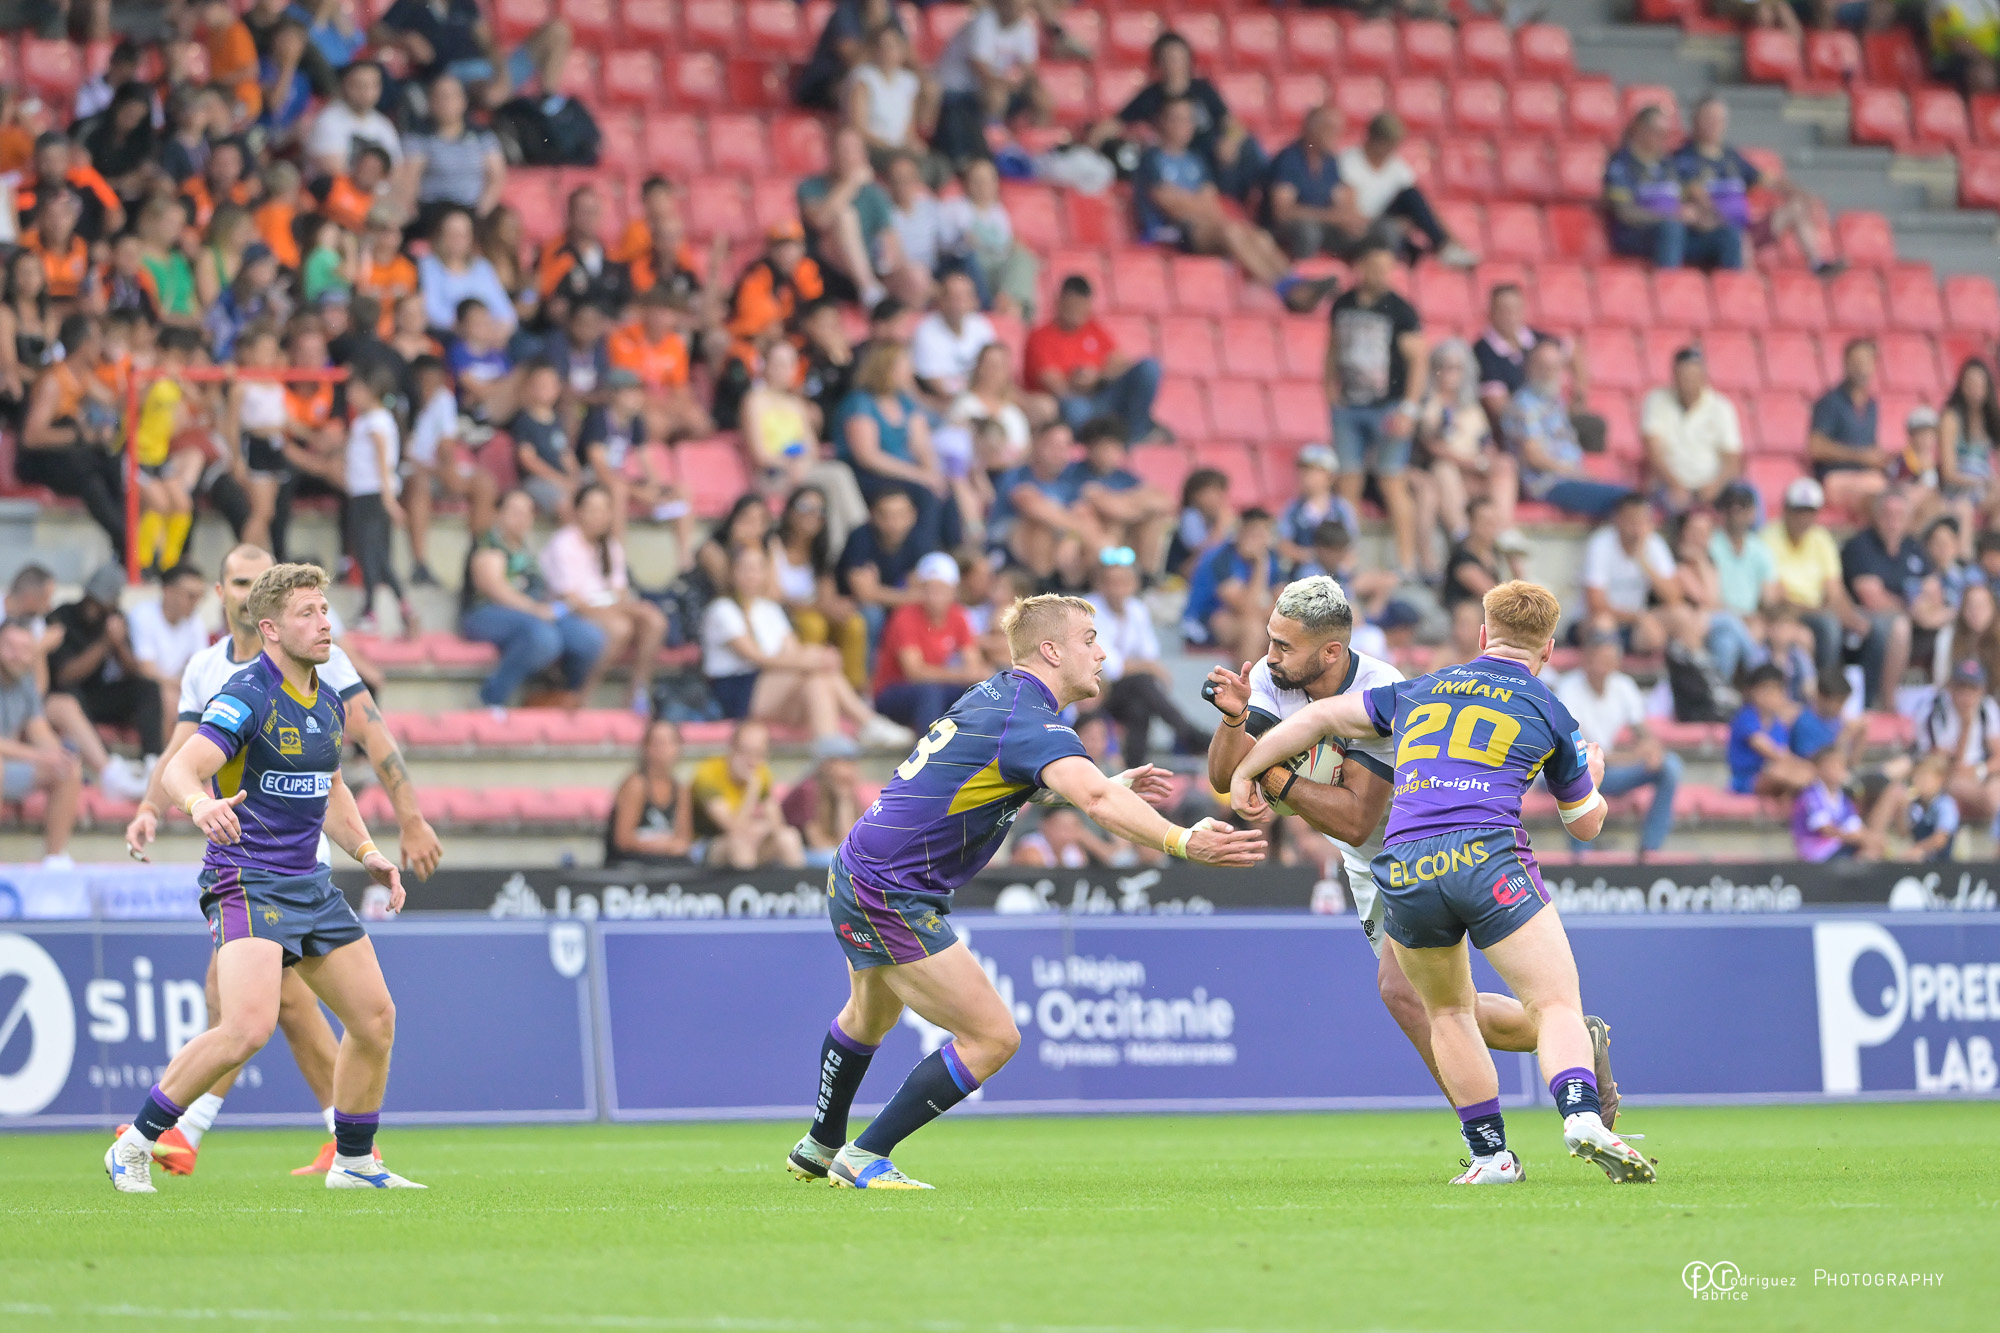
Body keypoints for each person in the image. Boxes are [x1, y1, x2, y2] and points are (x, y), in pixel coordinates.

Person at [785, 593, 1266, 1189]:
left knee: (868, 1016)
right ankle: (865, 1155)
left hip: (859, 870)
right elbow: (1095, 801)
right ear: (1051, 650)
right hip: (890, 889)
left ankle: (820, 1144)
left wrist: (1101, 782)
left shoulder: (994, 695)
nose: (1102, 652)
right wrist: (1184, 840)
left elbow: (1010, 780)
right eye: (1089, 639)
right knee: (992, 1038)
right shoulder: (1032, 719)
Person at [1228, 581, 1651, 1186]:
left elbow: (1319, 716)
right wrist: (1596, 780)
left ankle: (1490, 1156)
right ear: (1549, 650)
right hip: (1485, 856)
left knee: (1448, 1011)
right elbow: (1585, 825)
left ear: (1482, 636)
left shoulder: (1419, 688)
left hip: (1403, 863)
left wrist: (1246, 769)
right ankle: (1582, 1116)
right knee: (1555, 1003)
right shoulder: (1550, 708)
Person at [121, 544, 442, 1176]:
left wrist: (370, 852)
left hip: (308, 883)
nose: (325, 623)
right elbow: (184, 765)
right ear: (270, 628)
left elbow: (331, 788)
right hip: (249, 880)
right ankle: (135, 1142)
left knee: (375, 1018)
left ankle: (353, 1163)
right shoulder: (245, 693)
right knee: (245, 1026)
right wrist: (193, 804)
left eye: (325, 610)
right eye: (307, 613)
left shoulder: (328, 697)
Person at [703, 544, 913, 747]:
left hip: (771, 688)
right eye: (746, 568)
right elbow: (757, 657)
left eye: (758, 568)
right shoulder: (722, 609)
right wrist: (813, 659)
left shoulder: (769, 609)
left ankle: (830, 747)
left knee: (817, 680)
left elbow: (793, 649)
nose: (752, 574)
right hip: (737, 689)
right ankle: (868, 721)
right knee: (814, 664)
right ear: (732, 572)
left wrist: (816, 658)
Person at [1133, 98, 1333, 308]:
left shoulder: (1196, 160)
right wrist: (1195, 203)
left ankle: (1295, 282)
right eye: (1177, 119)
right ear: (1162, 122)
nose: (1184, 125)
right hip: (1170, 233)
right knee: (1231, 233)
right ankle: (1285, 290)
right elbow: (1168, 203)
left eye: (1187, 120)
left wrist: (1186, 201)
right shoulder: (1151, 159)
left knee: (1259, 235)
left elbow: (1210, 203)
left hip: (1200, 226)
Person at [1325, 243, 1426, 575]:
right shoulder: (1343, 304)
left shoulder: (1401, 310)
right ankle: (1349, 558)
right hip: (1349, 405)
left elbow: (1418, 361)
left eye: (1386, 268)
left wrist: (1409, 408)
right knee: (1348, 482)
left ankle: (1406, 561)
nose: (1381, 274)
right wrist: (1329, 387)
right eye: (1375, 266)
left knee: (1392, 480)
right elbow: (1333, 348)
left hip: (1389, 407)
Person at [1675, 95, 1840, 276]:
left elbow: (1770, 180)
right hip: (1713, 233)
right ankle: (1748, 287)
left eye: (1720, 119)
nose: (1716, 125)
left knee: (1796, 207)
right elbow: (1697, 198)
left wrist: (1803, 194)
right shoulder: (1685, 158)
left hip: (1746, 227)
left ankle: (1817, 264)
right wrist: (1725, 222)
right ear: (1695, 121)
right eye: (1710, 119)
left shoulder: (1731, 156)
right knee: (1737, 238)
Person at [1554, 629, 1683, 857]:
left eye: (1609, 660)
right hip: (1567, 772)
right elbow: (1578, 751)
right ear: (1586, 660)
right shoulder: (1569, 688)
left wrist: (1652, 749)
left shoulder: (1623, 685)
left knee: (1669, 766)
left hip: (1605, 768)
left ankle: (1649, 850)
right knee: (1582, 772)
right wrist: (1634, 756)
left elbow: (1641, 728)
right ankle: (1582, 855)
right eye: (1598, 659)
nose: (1603, 667)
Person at [541, 485, 668, 714]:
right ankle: (583, 694)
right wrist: (609, 604)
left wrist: (611, 604)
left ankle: (638, 691)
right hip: (570, 612)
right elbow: (572, 598)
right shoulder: (564, 543)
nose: (598, 516)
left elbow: (619, 592)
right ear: (578, 512)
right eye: (592, 509)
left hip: (604, 607)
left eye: (603, 509)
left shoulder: (610, 546)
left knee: (654, 620)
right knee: (620, 628)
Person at [1104, 30, 1265, 202]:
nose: (1174, 64)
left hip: (1214, 156)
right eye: (1168, 58)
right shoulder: (1149, 96)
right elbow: (1116, 123)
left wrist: (1230, 141)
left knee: (1248, 146)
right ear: (1158, 63)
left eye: (1179, 58)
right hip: (1183, 162)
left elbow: (1233, 124)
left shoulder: (1203, 90)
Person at [17, 313, 128, 556]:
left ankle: (128, 544)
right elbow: (31, 437)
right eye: (97, 340)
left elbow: (116, 404)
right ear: (85, 344)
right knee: (90, 478)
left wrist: (126, 372)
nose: (101, 346)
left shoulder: (83, 377)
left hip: (69, 456)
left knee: (112, 465)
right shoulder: (54, 381)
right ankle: (126, 544)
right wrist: (81, 435)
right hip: (41, 461)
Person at [834, 340, 958, 553]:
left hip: (904, 472)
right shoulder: (860, 402)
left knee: (944, 491)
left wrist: (931, 473)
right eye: (904, 366)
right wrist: (919, 476)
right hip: (870, 474)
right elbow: (868, 456)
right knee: (923, 495)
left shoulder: (906, 403)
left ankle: (954, 553)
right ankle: (921, 555)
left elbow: (922, 446)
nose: (910, 372)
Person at [1090, 545, 1205, 767]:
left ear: (1134, 584)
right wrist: (1147, 667)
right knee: (1143, 682)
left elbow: (1150, 653)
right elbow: (1110, 667)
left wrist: (1146, 667)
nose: (1116, 589)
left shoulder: (1136, 609)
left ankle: (1135, 767)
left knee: (1140, 705)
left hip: (1127, 691)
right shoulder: (1090, 609)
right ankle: (1188, 733)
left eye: (1123, 582)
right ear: (1100, 584)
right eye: (1111, 582)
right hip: (1097, 691)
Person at [48, 564, 164, 769]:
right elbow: (65, 676)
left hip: (99, 695)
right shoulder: (62, 616)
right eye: (93, 599)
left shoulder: (114, 618)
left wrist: (118, 644)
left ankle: (152, 760)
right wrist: (105, 643)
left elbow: (132, 671)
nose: (95, 606)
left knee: (147, 688)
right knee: (71, 692)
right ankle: (105, 762)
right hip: (67, 697)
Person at [1024, 274, 1163, 443]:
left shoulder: (1093, 329)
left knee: (1149, 368)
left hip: (1103, 397)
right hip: (1073, 404)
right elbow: (1057, 387)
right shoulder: (1040, 337)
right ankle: (1095, 446)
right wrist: (1079, 382)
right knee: (1074, 408)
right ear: (1059, 302)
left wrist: (1097, 377)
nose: (1076, 312)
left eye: (1082, 306)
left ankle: (1135, 437)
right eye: (1072, 305)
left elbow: (1120, 362)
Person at [1506, 340, 1633, 521]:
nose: (1548, 373)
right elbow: (1533, 457)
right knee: (1626, 501)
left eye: (1554, 367)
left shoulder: (1553, 401)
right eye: (1543, 366)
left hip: (1568, 478)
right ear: (1529, 368)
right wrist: (1575, 473)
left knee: (1631, 498)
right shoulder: (1524, 405)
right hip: (1548, 483)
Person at [798, 126, 922, 310]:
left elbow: (890, 239)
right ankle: (868, 289)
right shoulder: (811, 186)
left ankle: (901, 320)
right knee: (845, 215)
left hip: (874, 269)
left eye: (853, 151)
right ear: (831, 154)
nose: (847, 156)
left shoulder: (874, 193)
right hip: (829, 273)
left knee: (917, 276)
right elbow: (820, 221)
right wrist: (852, 182)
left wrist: (892, 264)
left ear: (863, 156)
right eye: (842, 150)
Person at [1604, 106, 1740, 270]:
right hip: (1637, 234)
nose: (1663, 139)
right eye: (1658, 132)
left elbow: (1687, 199)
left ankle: (1730, 286)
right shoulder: (1621, 163)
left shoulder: (1668, 164)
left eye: (1666, 134)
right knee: (1672, 229)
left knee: (1728, 235)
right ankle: (1668, 283)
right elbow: (1625, 213)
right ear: (1640, 129)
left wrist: (1701, 218)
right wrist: (1671, 217)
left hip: (1676, 233)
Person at [1337, 113, 1479, 269]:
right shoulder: (1349, 161)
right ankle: (1440, 247)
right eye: (1387, 144)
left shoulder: (1396, 166)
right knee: (1394, 230)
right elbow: (1350, 215)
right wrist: (1393, 223)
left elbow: (1421, 204)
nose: (1390, 150)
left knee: (1410, 195)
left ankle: (1445, 245)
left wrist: (1454, 239)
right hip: (1365, 226)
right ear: (1374, 140)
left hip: (1386, 221)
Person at [1416, 339, 1521, 550]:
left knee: (1505, 463)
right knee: (1444, 470)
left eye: (1457, 368)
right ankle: (1461, 534)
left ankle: (1504, 529)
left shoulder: (1472, 408)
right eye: (1445, 367)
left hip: (1475, 470)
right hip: (1448, 472)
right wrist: (1472, 464)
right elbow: (1433, 447)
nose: (1450, 374)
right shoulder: (1429, 405)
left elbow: (1486, 442)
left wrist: (1487, 461)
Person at [871, 550, 987, 731]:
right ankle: (930, 747)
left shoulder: (958, 615)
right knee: (930, 692)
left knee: (981, 692)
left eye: (941, 590)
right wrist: (962, 674)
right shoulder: (905, 617)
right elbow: (914, 672)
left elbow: (973, 664)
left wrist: (972, 675)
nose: (934, 596)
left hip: (934, 687)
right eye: (929, 589)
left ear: (953, 590)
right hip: (893, 690)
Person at [0, 618, 82, 868]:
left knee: (68, 769)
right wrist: (40, 756)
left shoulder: (24, 679)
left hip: (9, 768)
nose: (18, 655)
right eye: (10, 647)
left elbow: (38, 729)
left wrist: (58, 755)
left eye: (25, 649)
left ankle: (54, 859)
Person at [772, 486, 870, 690]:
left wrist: (838, 607)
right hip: (782, 615)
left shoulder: (821, 553)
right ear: (789, 511)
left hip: (812, 610)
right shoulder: (774, 545)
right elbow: (776, 596)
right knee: (813, 625)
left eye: (820, 510)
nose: (813, 514)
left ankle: (853, 689)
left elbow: (826, 597)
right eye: (805, 506)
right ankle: (808, 687)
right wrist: (817, 606)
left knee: (854, 623)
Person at [1840, 488, 1929, 712]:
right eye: (1887, 514)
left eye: (1900, 515)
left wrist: (1927, 608)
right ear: (1876, 516)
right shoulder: (1860, 546)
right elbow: (1871, 598)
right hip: (1863, 617)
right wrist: (1911, 607)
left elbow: (1933, 588)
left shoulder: (1913, 546)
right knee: (1898, 627)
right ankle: (1887, 703)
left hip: (1913, 616)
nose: (1893, 521)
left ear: (1909, 519)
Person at [932, 0, 1048, 164]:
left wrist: (1023, 84)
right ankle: (993, 145)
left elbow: (1028, 67)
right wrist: (1009, 84)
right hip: (957, 89)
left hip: (988, 86)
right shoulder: (983, 21)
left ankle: (1038, 151)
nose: (1018, 11)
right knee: (995, 94)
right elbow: (979, 67)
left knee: (1040, 96)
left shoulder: (1024, 25)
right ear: (1001, 4)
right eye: (1014, 5)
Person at [342, 364, 411, 635]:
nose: (350, 393)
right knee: (374, 555)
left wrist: (388, 499)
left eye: (355, 388)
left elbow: (383, 461)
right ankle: (403, 608)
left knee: (372, 554)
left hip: (372, 495)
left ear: (370, 391)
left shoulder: (377, 421)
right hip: (363, 493)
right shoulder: (365, 420)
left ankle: (372, 611)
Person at [1062, 419, 1176, 575]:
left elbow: (1165, 501)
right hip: (1086, 537)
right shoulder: (1075, 473)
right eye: (1103, 447)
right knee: (1113, 522)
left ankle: (1146, 577)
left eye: (1114, 447)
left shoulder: (1125, 477)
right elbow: (1113, 510)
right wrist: (1138, 503)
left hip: (1126, 531)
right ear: (1089, 448)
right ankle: (1102, 577)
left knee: (1153, 521)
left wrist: (1126, 502)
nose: (1109, 453)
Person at [396, 73, 504, 232]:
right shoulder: (418, 138)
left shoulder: (483, 137)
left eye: (452, 96)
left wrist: (479, 215)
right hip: (432, 212)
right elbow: (410, 178)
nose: (446, 102)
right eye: (440, 96)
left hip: (472, 211)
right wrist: (410, 209)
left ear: (463, 101)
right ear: (430, 102)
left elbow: (496, 178)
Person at [1262, 105, 1371, 263]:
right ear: (1312, 130)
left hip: (1322, 225)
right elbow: (1283, 212)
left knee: (1377, 231)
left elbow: (1341, 196)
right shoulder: (1289, 160)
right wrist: (1334, 217)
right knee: (1309, 231)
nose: (1337, 135)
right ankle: (1299, 273)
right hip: (1285, 231)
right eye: (1331, 129)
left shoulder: (1330, 161)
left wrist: (1351, 217)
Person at [690, 720, 805, 869]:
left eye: (759, 753)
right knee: (739, 844)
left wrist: (764, 827)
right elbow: (733, 829)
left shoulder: (762, 772)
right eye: (745, 751)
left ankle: (799, 883)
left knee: (789, 837)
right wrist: (752, 790)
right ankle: (748, 884)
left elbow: (778, 825)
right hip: (709, 846)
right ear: (732, 748)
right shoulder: (709, 774)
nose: (752, 760)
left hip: (749, 841)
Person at [1643, 347, 1744, 515]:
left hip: (1711, 485)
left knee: (1744, 501)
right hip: (1668, 484)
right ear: (1674, 375)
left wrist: (1715, 485)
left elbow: (1732, 460)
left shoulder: (1721, 407)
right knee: (1661, 505)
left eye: (1692, 376)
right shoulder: (1656, 400)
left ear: (1703, 376)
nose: (1687, 382)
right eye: (1683, 376)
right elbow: (1653, 451)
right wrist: (1675, 485)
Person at [1580, 493, 1684, 654]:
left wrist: (1643, 561)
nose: (1637, 528)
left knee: (1681, 616)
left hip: (1636, 623)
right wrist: (1639, 617)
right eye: (1632, 521)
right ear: (1617, 520)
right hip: (1596, 622)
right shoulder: (1601, 543)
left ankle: (1689, 667)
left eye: (1642, 521)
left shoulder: (1654, 543)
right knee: (1603, 623)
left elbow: (1674, 598)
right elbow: (1596, 605)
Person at [1182, 508, 1282, 664]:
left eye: (1265, 534)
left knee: (1286, 629)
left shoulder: (1271, 557)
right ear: (1241, 532)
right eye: (1256, 534)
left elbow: (1284, 603)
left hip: (1243, 616)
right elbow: (1245, 608)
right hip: (1204, 620)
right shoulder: (1221, 558)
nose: (1262, 540)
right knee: (1253, 631)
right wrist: (1260, 565)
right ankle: (1247, 679)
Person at [1809, 338, 1892, 513]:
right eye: (1856, 362)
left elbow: (1870, 447)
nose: (1862, 368)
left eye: (1867, 362)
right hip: (1837, 477)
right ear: (1846, 363)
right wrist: (1860, 456)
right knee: (1882, 501)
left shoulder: (1871, 405)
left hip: (1868, 477)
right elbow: (1816, 447)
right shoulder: (1830, 402)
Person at [1917, 657, 2000, 827]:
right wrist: (1966, 725)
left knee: (1994, 790)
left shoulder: (1987, 708)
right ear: (1951, 686)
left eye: (1972, 688)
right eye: (1962, 687)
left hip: (1980, 771)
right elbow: (1944, 764)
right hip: (1945, 775)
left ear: (1982, 690)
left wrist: (1979, 770)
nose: (1966, 694)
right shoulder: (1935, 711)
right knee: (1962, 786)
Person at [846, 22, 936, 176]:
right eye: (883, 46)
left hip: (900, 149)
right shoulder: (863, 77)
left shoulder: (909, 81)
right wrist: (889, 146)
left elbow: (909, 130)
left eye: (893, 46)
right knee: (904, 166)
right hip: (873, 148)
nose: (887, 51)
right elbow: (858, 128)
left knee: (937, 164)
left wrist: (914, 145)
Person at [129, 563, 212, 726]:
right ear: (168, 591)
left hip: (172, 687)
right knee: (170, 699)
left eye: (200, 596)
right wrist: (182, 686)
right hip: (138, 688)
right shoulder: (143, 614)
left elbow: (201, 670)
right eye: (191, 596)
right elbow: (146, 670)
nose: (196, 602)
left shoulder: (195, 623)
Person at [605, 718, 694, 867]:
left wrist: (671, 846)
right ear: (646, 747)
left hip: (665, 862)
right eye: (658, 742)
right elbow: (623, 840)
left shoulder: (680, 791)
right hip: (631, 862)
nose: (663, 748)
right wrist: (664, 845)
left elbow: (684, 840)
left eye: (670, 742)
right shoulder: (636, 784)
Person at [1727, 662, 1817, 798]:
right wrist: (1798, 765)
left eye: (1776, 691)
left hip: (1772, 771)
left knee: (1804, 773)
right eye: (1765, 690)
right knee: (1780, 773)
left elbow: (1784, 752)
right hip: (1746, 779)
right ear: (1752, 691)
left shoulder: (1778, 724)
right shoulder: (1746, 717)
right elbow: (1770, 752)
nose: (1771, 696)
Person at [305, 61, 402, 179]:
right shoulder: (328, 120)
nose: (367, 91)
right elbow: (336, 174)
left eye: (373, 85)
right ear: (345, 85)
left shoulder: (384, 125)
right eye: (360, 85)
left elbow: (396, 172)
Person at [783, 735, 867, 869]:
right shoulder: (808, 790)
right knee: (835, 860)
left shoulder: (845, 790)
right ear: (827, 765)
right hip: (795, 856)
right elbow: (817, 842)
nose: (852, 769)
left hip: (823, 851)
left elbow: (851, 843)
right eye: (846, 762)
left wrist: (844, 801)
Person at [909, 269, 994, 401]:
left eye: (965, 297)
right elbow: (937, 386)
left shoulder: (981, 325)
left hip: (981, 398)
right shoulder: (925, 332)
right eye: (954, 297)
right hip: (944, 404)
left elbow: (995, 371)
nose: (959, 303)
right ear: (941, 300)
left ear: (974, 300)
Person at [1940, 357, 2000, 522]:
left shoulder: (1992, 421)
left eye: (1980, 383)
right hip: (1960, 488)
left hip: (1986, 488)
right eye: (1971, 382)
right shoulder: (1951, 418)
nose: (1975, 388)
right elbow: (1948, 473)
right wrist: (1981, 482)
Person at [1929, 0, 2000, 93]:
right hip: (1955, 60)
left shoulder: (1989, 2)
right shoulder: (1945, 4)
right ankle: (1976, 101)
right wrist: (1986, 60)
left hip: (1990, 58)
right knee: (1984, 74)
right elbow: (1957, 42)